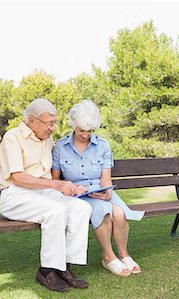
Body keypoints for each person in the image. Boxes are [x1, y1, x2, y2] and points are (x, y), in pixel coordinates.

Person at [0, 98, 93, 292]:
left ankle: (64, 267)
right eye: (49, 123)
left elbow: (65, 158)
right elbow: (18, 178)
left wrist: (73, 186)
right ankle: (46, 271)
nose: (52, 128)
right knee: (56, 211)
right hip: (15, 195)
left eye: (54, 122)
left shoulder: (48, 139)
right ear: (32, 121)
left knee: (82, 208)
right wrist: (57, 184)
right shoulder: (12, 137)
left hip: (43, 192)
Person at [52, 100, 145, 277]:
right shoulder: (60, 147)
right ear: (74, 125)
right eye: (81, 130)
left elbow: (105, 177)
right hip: (77, 195)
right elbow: (56, 180)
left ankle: (124, 255)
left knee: (120, 214)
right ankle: (108, 257)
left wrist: (108, 191)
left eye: (89, 131)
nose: (85, 135)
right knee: (103, 212)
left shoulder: (103, 145)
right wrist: (70, 189)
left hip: (100, 191)